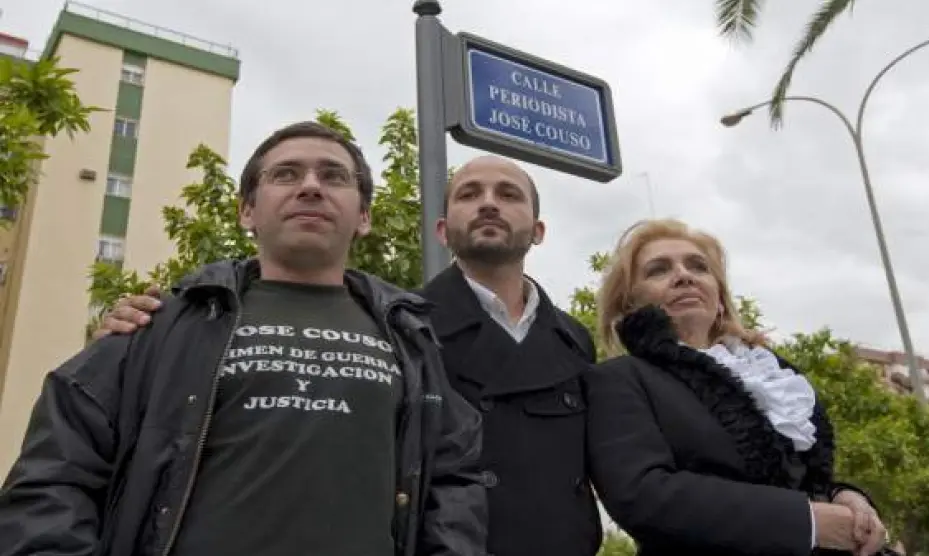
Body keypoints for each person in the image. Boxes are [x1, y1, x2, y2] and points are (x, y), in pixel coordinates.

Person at [0, 121, 486, 556]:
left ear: (364, 217)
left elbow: (452, 479)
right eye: (286, 174)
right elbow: (54, 475)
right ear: (247, 212)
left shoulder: (410, 338)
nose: (311, 186)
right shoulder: (158, 325)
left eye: (334, 176)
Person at [92, 154, 602, 556]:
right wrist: (128, 337)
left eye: (508, 195)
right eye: (470, 194)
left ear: (539, 230)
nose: (489, 204)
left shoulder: (573, 339)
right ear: (442, 231)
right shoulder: (401, 327)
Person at [585, 218, 889, 556]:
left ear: (719, 298)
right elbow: (643, 495)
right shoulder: (620, 379)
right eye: (658, 270)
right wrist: (807, 522)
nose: (684, 276)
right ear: (629, 303)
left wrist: (842, 497)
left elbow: (795, 479)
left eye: (698, 266)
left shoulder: (773, 376)